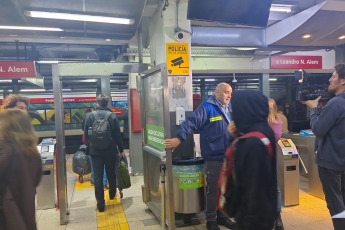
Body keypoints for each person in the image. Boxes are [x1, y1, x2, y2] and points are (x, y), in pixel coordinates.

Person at [165, 82, 235, 230]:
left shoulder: (230, 108)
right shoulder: (206, 107)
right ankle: (211, 220)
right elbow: (190, 123)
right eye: (226, 92)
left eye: (230, 93)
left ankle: (222, 216)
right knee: (213, 189)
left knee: (226, 189)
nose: (229, 95)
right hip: (214, 155)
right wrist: (179, 138)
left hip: (229, 155)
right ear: (217, 93)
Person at [302, 64, 345, 230]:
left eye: (333, 76)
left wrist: (314, 110)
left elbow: (319, 129)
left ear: (343, 81)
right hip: (342, 160)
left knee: (336, 204)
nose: (329, 79)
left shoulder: (336, 103)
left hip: (331, 162)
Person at [227, 90, 277, 230]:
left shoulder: (252, 143)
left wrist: (248, 222)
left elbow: (253, 186)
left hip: (253, 218)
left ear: (244, 109)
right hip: (265, 211)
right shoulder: (264, 130)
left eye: (234, 107)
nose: (232, 111)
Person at [0, 109, 42, 230]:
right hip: (26, 214)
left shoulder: (4, 150)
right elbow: (36, 180)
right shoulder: (32, 152)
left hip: (8, 218)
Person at [83, 94, 124, 212]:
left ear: (97, 103)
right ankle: (112, 194)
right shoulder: (112, 116)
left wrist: (91, 146)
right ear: (108, 103)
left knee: (98, 176)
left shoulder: (90, 116)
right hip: (110, 151)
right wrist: (121, 150)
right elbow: (117, 135)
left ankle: (100, 204)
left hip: (95, 152)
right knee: (111, 173)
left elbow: (86, 134)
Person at [268, 99, 284, 230]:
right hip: (258, 157)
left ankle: (277, 216)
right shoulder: (259, 121)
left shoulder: (277, 121)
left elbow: (275, 137)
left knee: (274, 187)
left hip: (271, 157)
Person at [82, 111, 108, 191]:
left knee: (94, 166)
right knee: (104, 166)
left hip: (93, 148)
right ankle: (104, 183)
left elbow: (85, 136)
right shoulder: (109, 116)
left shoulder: (88, 119)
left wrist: (90, 143)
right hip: (106, 147)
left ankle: (95, 181)